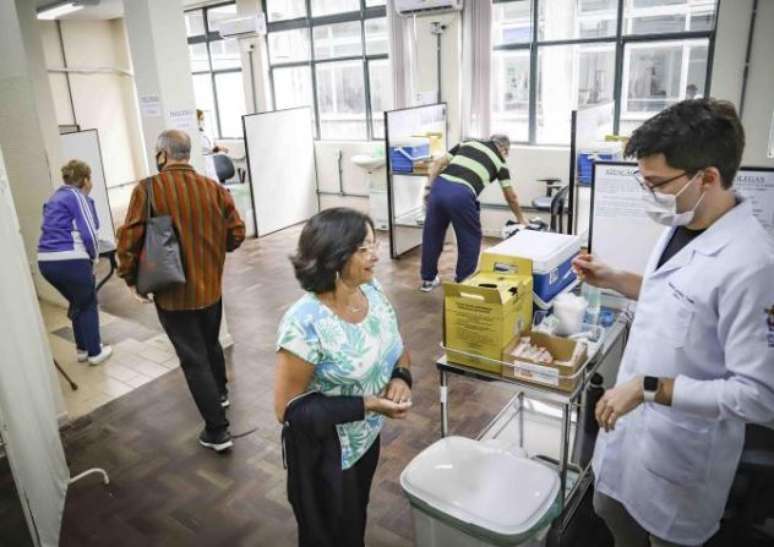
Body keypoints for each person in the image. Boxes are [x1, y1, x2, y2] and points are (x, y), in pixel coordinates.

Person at [572, 99, 774, 546]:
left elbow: (760, 396)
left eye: (657, 184)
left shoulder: (753, 265)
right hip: (630, 431)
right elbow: (682, 298)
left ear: (708, 178)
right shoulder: (684, 222)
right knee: (608, 510)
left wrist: (650, 388)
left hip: (681, 453)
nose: (650, 194)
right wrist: (616, 277)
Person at [274, 208, 413, 546]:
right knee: (328, 533)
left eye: (374, 244)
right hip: (326, 454)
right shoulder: (304, 324)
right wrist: (367, 404)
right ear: (334, 256)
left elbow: (396, 345)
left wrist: (401, 377)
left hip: (365, 439)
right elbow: (287, 410)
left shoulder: (372, 290)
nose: (375, 255)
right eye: (364, 248)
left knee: (354, 518)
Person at [116, 130, 245, 453]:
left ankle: (217, 431)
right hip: (211, 288)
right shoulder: (213, 188)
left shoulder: (148, 189)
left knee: (193, 358)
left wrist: (130, 277)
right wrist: (213, 252)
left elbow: (130, 238)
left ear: (162, 155)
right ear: (187, 153)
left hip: (172, 294)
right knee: (211, 343)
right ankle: (220, 394)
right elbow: (237, 234)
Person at [419, 134, 527, 292]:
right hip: (461, 194)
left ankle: (428, 280)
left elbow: (437, 163)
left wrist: (428, 189)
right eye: (507, 153)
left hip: (438, 188)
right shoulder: (501, 163)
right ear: (504, 149)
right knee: (470, 237)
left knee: (432, 235)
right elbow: (511, 197)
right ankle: (463, 282)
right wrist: (521, 219)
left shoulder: (467, 143)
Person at [38, 160, 113, 365]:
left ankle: (82, 349)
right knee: (88, 303)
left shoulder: (55, 197)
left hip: (45, 262)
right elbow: (90, 233)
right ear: (86, 180)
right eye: (91, 178)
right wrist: (94, 259)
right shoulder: (77, 196)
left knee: (78, 302)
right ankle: (95, 352)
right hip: (70, 260)